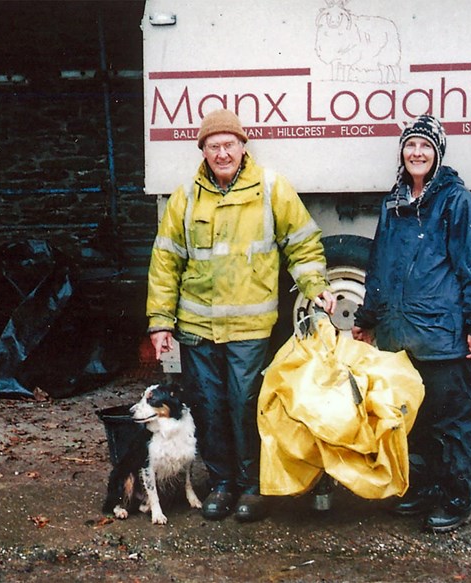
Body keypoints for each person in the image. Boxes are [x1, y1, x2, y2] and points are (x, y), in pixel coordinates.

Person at [146, 109, 336, 523]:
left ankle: (252, 487)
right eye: (213, 146)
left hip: (249, 329)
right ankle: (223, 484)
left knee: (246, 406)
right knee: (209, 407)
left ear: (242, 147)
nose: (222, 153)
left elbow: (302, 243)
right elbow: (165, 262)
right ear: (204, 152)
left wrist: (314, 285)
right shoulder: (187, 196)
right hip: (197, 329)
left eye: (229, 144)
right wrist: (160, 322)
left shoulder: (271, 188)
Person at [351, 114, 471, 533]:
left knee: (452, 420)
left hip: (441, 335)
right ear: (402, 152)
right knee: (412, 418)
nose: (417, 152)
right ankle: (423, 488)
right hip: (399, 335)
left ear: (437, 154)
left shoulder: (455, 200)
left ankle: (456, 496)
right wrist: (367, 319)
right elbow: (378, 264)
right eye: (411, 145)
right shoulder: (393, 201)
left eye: (425, 146)